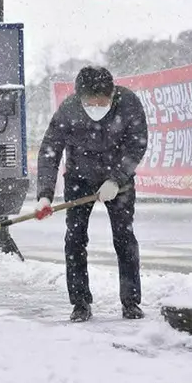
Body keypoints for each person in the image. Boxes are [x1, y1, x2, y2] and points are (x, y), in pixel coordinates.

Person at [35, 66, 148, 322]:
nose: (96, 107)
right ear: (80, 97)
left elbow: (137, 144)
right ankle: (80, 302)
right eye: (90, 103)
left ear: (112, 94)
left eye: (102, 102)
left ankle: (131, 301)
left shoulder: (128, 103)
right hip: (79, 180)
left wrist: (116, 179)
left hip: (119, 182)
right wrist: (45, 195)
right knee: (75, 240)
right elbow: (50, 151)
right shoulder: (69, 110)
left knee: (124, 237)